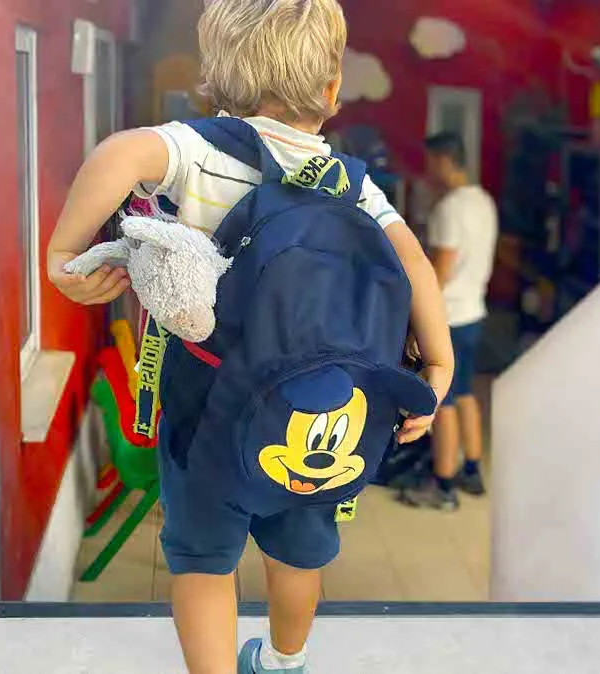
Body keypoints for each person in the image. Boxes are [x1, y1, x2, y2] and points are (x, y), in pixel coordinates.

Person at [46, 2, 454, 672]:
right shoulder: (351, 186)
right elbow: (413, 265)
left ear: (215, 78)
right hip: (317, 410)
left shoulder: (197, 150)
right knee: (298, 553)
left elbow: (118, 153)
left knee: (204, 562)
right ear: (332, 89)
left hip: (207, 407)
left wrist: (63, 253)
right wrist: (435, 364)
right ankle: (283, 660)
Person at [400, 132, 498, 511]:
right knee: (466, 391)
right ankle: (471, 470)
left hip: (450, 318)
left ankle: (443, 487)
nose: (427, 171)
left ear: (443, 160)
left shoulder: (449, 209)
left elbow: (437, 273)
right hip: (474, 311)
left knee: (443, 401)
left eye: (430, 163)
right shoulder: (482, 200)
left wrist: (418, 319)